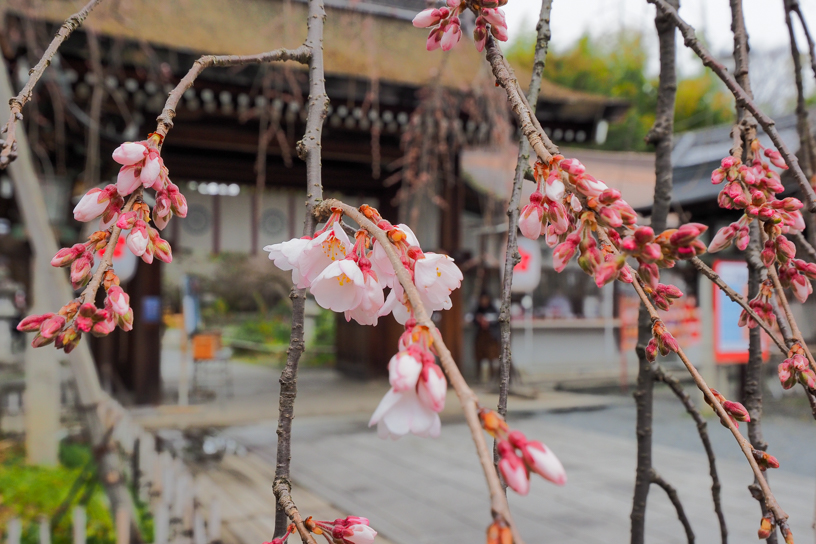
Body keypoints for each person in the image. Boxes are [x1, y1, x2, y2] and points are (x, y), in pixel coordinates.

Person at [474, 293, 501, 382]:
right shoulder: (478, 310)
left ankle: (492, 378)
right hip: (480, 338)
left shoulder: (493, 309)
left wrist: (488, 322)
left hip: (491, 338)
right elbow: (472, 319)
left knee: (492, 358)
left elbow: (498, 320)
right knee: (479, 358)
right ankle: (479, 378)